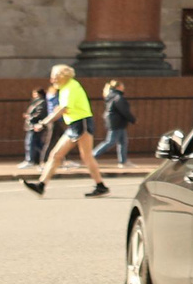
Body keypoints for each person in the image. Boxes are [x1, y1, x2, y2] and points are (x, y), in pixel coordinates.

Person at [23, 65, 109, 197]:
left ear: (62, 76)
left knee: (85, 156)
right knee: (56, 154)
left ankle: (100, 186)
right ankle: (41, 185)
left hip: (82, 123)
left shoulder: (71, 87)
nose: (52, 80)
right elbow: (60, 108)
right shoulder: (64, 88)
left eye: (55, 76)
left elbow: (62, 109)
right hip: (74, 124)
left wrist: (44, 123)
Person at [95, 80, 135, 165]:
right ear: (118, 87)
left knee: (122, 141)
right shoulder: (118, 97)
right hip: (117, 122)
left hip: (115, 122)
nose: (123, 88)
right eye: (122, 86)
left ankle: (123, 161)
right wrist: (132, 119)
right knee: (111, 141)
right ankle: (93, 155)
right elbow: (124, 111)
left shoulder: (110, 96)